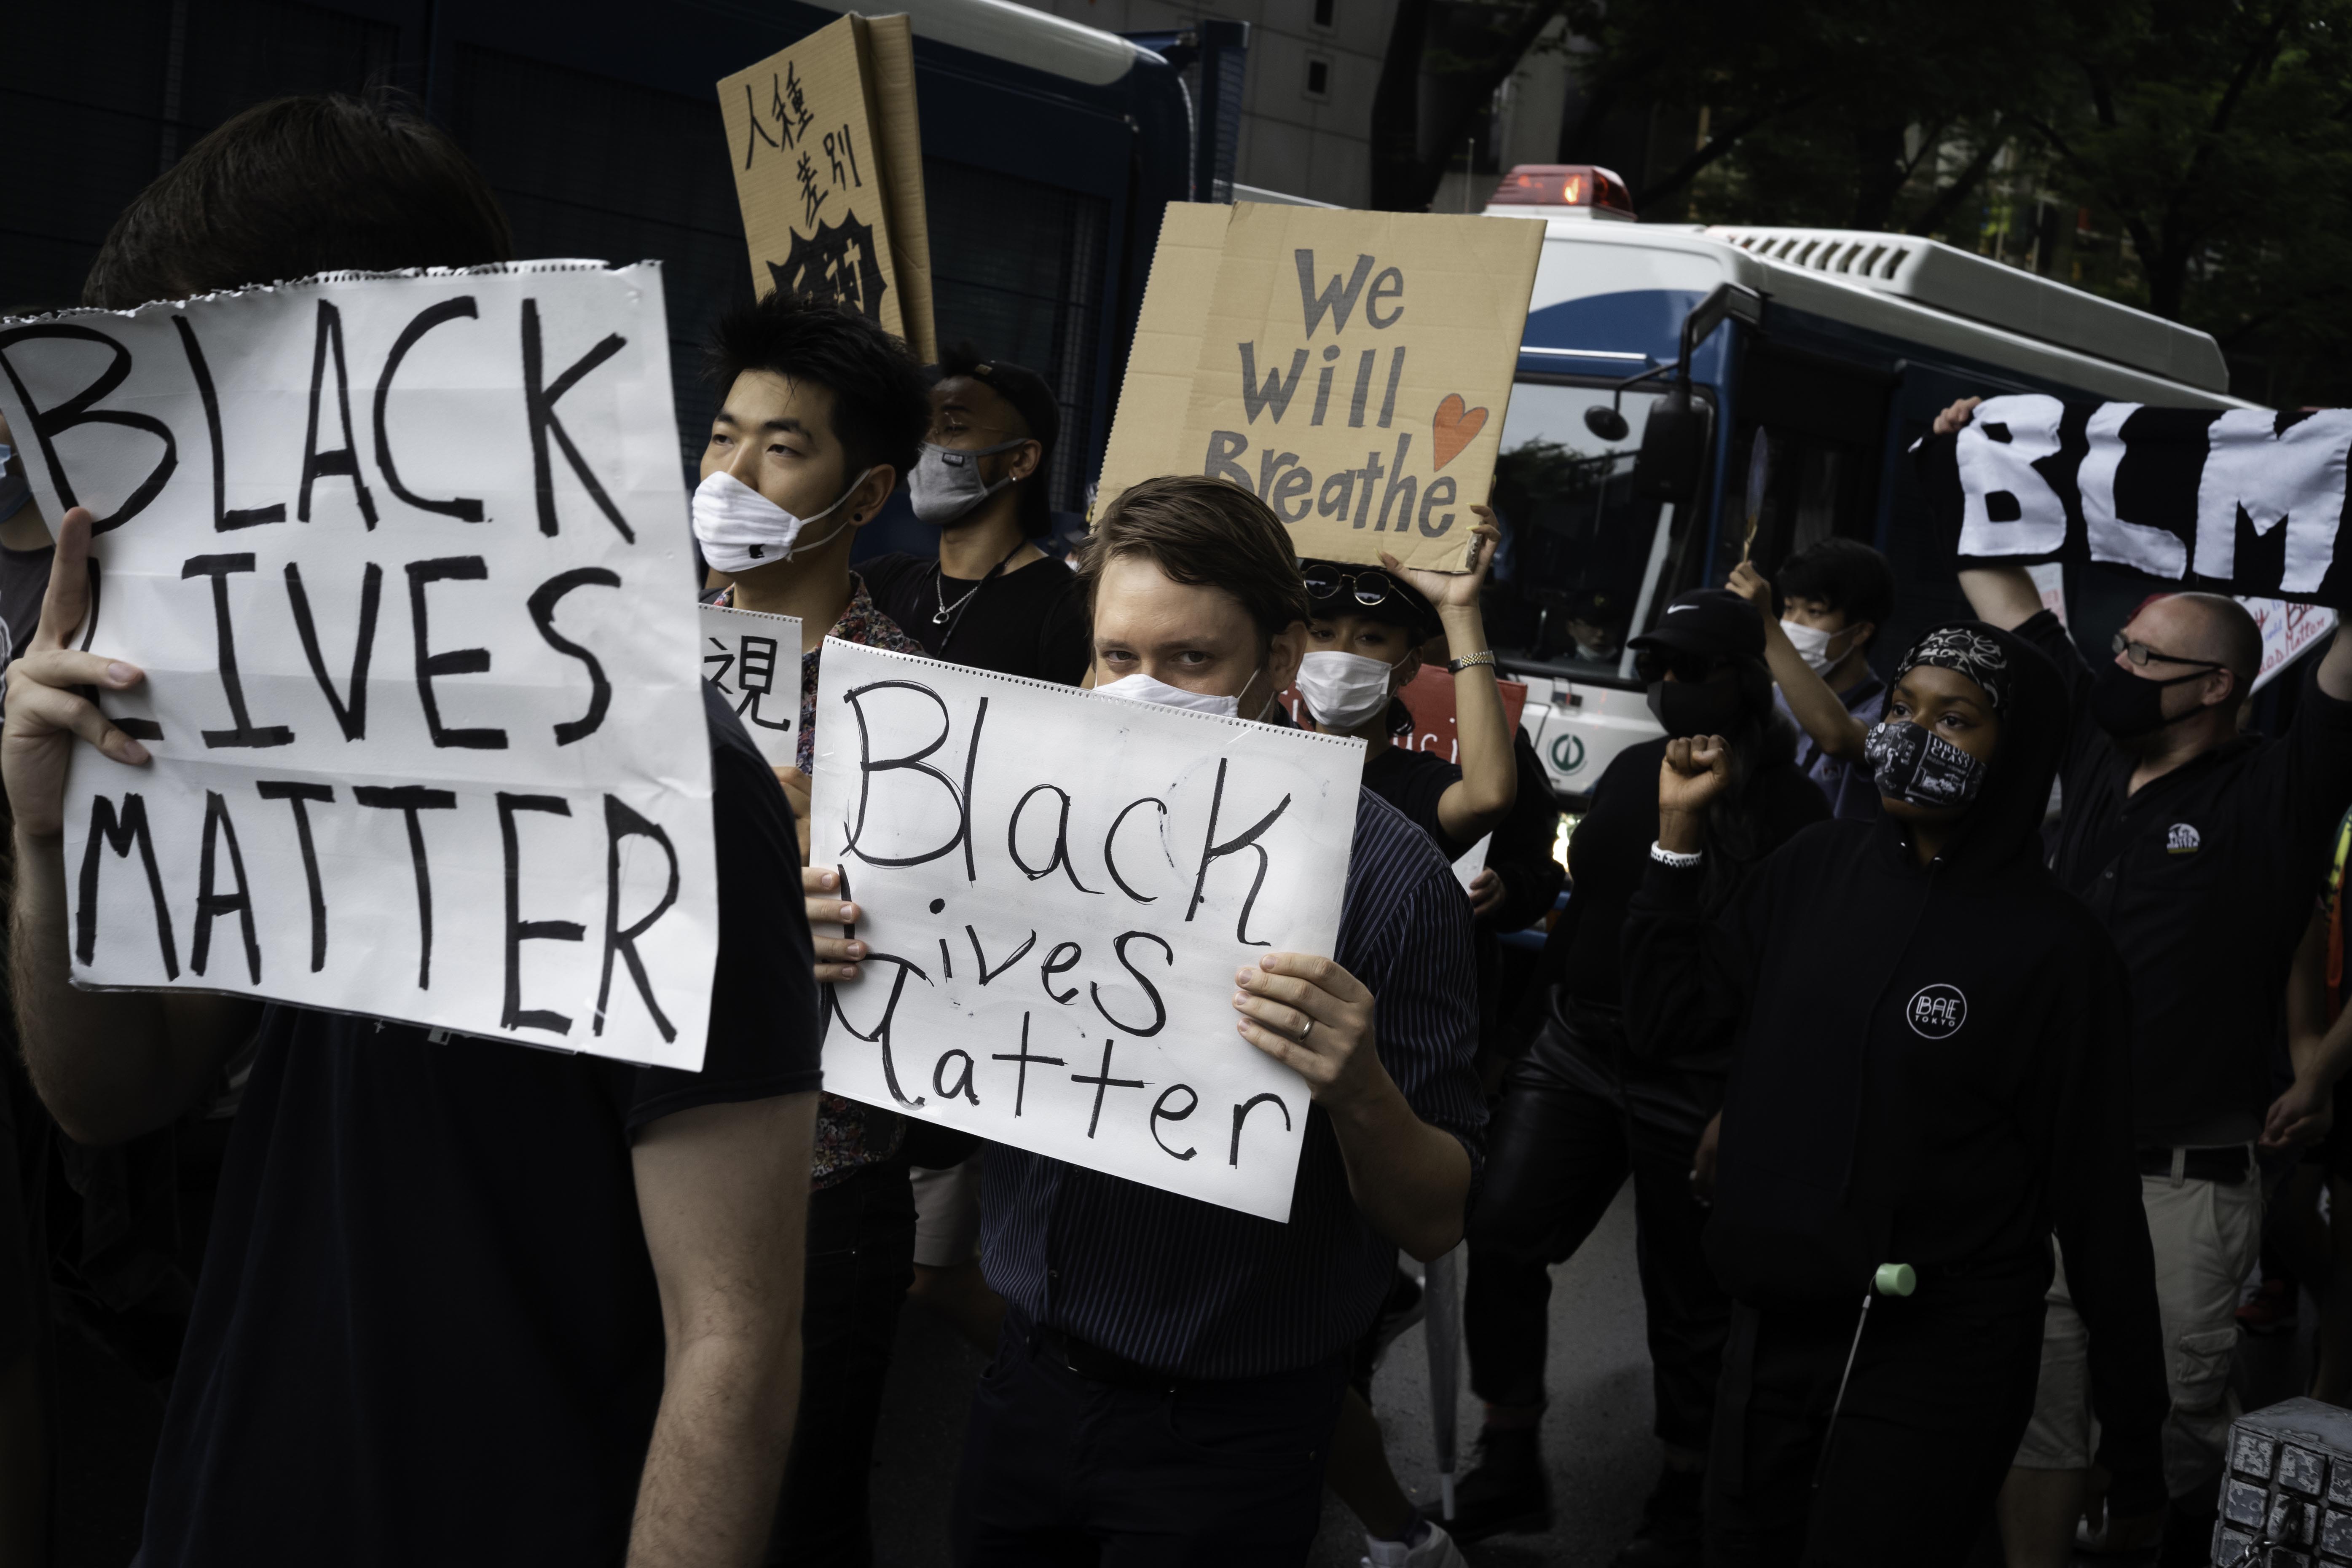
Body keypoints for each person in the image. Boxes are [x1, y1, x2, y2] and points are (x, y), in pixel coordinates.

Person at [6, 93, 821, 1566]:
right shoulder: (267, 727)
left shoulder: (673, 785)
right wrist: (52, 842)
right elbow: (105, 1095)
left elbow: (736, 1344)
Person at [807, 473, 1486, 1565]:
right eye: (1117, 657)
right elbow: (903, 1026)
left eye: (1187, 661)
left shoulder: (1392, 883)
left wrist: (1359, 1088)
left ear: (1275, 664)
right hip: (1023, 1384)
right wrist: (829, 941)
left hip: (1227, 1437)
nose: (1141, 688)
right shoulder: (1004, 823)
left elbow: (1435, 1217)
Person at [1622, 621, 2167, 1567]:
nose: (1909, 737)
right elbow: (1669, 1024)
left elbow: (2097, 1207)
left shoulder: (2058, 953)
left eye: (1954, 721)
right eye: (1904, 708)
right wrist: (1676, 843)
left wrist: (2134, 1444)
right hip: (1773, 1329)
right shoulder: (1812, 869)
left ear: (2019, 750)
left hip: (1938, 1353)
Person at [1932, 395, 2352, 1565]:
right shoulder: (2078, 737)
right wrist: (1978, 455)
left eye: (2144, 657)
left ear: (2216, 685)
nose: (2114, 665)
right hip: (2042, 1170)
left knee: (2159, 1436)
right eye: (2116, 647)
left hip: (2177, 1192)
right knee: (2039, 1420)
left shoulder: (2277, 790)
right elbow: (2000, 584)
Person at [1454, 589, 1828, 1565]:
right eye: (1653, 667)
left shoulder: (1792, 811)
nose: (1665, 687)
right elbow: (1584, 911)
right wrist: (1520, 1039)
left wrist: (1740, 1103)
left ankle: (1681, 1489)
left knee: (1687, 1297)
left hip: (1699, 1072)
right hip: (1576, 1046)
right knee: (1497, 1228)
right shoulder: (1627, 768)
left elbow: (1791, 978)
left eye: (1687, 669)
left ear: (1738, 680)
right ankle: (1506, 1449)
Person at [691, 287, 933, 1568]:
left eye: (780, 447)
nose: (729, 472)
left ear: (868, 491)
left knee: (796, 1518)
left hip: (817, 1195)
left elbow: (959, 984)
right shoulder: (618, 658)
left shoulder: (922, 721)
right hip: (621, 1157)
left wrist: (831, 921)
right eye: (722, 435)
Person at [1292, 528, 1511, 1568]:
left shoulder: (1422, 797)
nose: (1341, 653)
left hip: (1365, 1101)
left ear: (1410, 664)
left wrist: (1461, 608)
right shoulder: (1252, 762)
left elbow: (1495, 798)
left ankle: (1397, 1530)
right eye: (1322, 629)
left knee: (1304, 1360)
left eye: (1371, 635)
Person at [858, 345, 1089, 683]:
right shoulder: (882, 581)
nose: (928, 445)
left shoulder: (1067, 607)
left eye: (953, 427)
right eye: (925, 428)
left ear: (1021, 460)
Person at [1725, 537, 1895, 821]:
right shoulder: (1771, 698)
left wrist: (1766, 622)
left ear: (1860, 632)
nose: (1793, 624)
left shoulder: (1889, 712)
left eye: (1814, 611)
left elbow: (1837, 737)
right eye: (1789, 608)